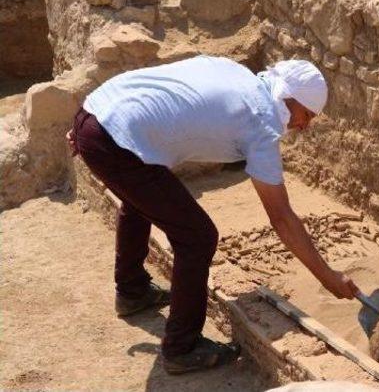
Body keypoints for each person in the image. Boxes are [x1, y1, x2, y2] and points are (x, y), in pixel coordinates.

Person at [67, 56, 360, 375]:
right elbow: (282, 219)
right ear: (290, 99)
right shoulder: (261, 123)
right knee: (198, 236)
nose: (305, 125)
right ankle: (182, 347)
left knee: (142, 196)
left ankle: (133, 291)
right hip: (112, 136)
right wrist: (328, 277)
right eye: (306, 115)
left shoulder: (236, 73)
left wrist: (88, 127)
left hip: (97, 115)